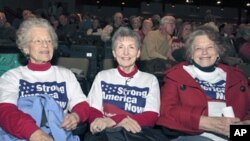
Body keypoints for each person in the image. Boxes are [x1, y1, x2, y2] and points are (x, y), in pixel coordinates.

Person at [0, 17, 89, 141]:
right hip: (24, 135)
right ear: (25, 48)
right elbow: (5, 112)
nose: (45, 45)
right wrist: (33, 132)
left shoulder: (66, 75)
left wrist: (76, 116)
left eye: (48, 40)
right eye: (38, 41)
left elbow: (82, 104)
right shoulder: (11, 77)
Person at [156, 26, 250, 141]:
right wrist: (204, 122)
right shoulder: (176, 76)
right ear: (191, 53)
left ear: (218, 51)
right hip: (194, 135)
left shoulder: (237, 77)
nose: (204, 52)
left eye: (210, 47)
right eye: (198, 48)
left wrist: (243, 128)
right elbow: (167, 112)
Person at [87, 27, 165, 140]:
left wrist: (116, 120)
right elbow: (93, 110)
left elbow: (151, 116)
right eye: (120, 47)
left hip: (135, 135)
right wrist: (100, 123)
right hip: (106, 134)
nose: (126, 52)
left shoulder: (150, 80)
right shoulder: (102, 76)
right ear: (114, 53)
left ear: (138, 53)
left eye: (131, 47)